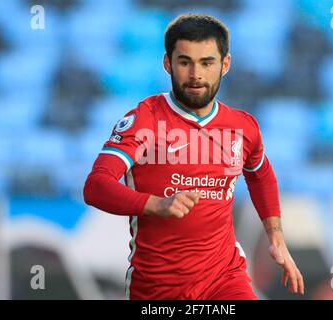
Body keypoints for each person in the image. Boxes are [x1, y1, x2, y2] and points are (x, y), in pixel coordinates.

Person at [84, 13, 304, 300]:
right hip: (157, 289)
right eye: (185, 62)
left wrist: (276, 237)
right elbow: (96, 185)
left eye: (207, 63)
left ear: (225, 65)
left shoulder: (243, 126)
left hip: (224, 279)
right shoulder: (145, 120)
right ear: (168, 64)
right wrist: (156, 204)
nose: (196, 74)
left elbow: (260, 174)